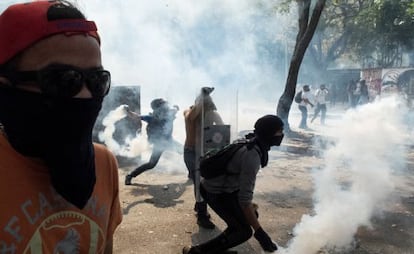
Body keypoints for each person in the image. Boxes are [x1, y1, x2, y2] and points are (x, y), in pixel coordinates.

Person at [0, 1, 122, 253]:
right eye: (64, 80)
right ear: (6, 87)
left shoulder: (104, 163)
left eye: (97, 81)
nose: (86, 96)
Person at [182, 115, 284, 254]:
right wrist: (260, 234)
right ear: (269, 133)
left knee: (248, 217)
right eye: (279, 131)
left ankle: (219, 247)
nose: (281, 135)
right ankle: (197, 251)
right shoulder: (252, 156)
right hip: (215, 192)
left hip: (223, 189)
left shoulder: (251, 140)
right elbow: (244, 200)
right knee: (244, 231)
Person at [183, 87, 223, 229]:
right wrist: (202, 97)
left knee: (202, 183)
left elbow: (221, 131)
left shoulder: (210, 114)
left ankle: (200, 207)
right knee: (199, 183)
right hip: (190, 152)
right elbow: (191, 116)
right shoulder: (188, 112)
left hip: (204, 152)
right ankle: (201, 214)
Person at [125, 98, 179, 185]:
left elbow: (175, 109)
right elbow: (137, 117)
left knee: (186, 151)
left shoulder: (169, 114)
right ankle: (130, 175)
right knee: (151, 164)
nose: (165, 108)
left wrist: (176, 107)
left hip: (169, 141)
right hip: (159, 144)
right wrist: (128, 111)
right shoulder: (152, 118)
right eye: (163, 106)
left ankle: (192, 174)